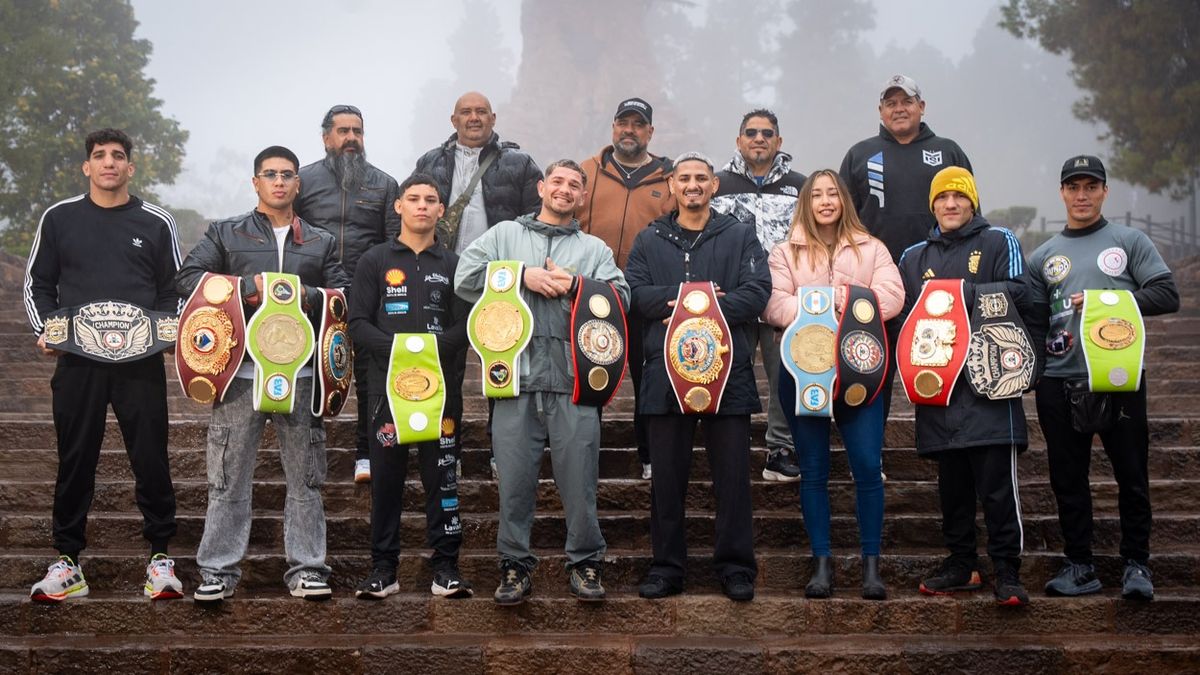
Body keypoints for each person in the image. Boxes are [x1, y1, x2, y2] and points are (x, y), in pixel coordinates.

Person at [177, 146, 350, 603]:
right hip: (238, 372)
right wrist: (245, 290)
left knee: (306, 478)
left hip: (304, 373)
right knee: (227, 477)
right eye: (269, 174)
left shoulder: (320, 241)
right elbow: (187, 277)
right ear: (255, 182)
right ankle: (217, 571)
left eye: (287, 175)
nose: (278, 182)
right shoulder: (225, 232)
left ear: (298, 184)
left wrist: (303, 294)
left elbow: (342, 292)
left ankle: (309, 569)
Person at [455, 159, 629, 605]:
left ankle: (586, 563)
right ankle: (514, 567)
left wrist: (575, 284)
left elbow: (621, 296)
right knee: (513, 482)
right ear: (541, 187)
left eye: (575, 185)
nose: (565, 189)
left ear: (582, 197)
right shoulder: (504, 236)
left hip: (574, 381)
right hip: (516, 380)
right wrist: (519, 275)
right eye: (558, 181)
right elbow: (464, 276)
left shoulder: (594, 249)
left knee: (580, 483)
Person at [24, 128, 183, 602]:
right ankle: (68, 562)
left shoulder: (156, 221)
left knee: (151, 456)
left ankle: (160, 558)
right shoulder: (59, 218)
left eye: (118, 156)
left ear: (131, 168)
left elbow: (172, 288)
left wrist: (164, 332)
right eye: (99, 156)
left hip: (139, 360)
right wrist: (47, 329)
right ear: (87, 167)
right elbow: (38, 283)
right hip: (77, 361)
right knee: (75, 458)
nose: (109, 163)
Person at [1029, 155, 1179, 601]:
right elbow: (1037, 322)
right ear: (1061, 193)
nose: (1081, 195)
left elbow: (1166, 293)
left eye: (1090, 186)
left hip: (1119, 375)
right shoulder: (1043, 255)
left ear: (1104, 191)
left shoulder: (1129, 241)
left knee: (1131, 474)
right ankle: (1080, 564)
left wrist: (1104, 300)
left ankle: (1137, 564)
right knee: (1066, 478)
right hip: (1060, 378)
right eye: (1073, 187)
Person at [625, 152, 770, 602]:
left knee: (732, 478)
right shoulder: (649, 240)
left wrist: (703, 308)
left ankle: (735, 568)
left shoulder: (741, 235)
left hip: (729, 373)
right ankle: (667, 567)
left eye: (701, 178)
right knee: (667, 478)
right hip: (665, 375)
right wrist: (687, 298)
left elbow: (758, 292)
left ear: (713, 186)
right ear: (671, 185)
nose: (692, 185)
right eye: (684, 178)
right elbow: (636, 294)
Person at [761, 169, 902, 599]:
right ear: (806, 202)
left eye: (833, 194)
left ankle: (870, 566)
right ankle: (821, 563)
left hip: (861, 370)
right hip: (804, 373)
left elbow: (893, 296)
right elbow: (773, 303)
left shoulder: (872, 248)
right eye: (816, 194)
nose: (825, 201)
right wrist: (818, 303)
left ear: (844, 201)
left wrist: (842, 294)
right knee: (814, 471)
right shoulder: (783, 252)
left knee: (865, 465)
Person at [897, 166, 1033, 606]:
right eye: (942, 197)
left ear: (973, 202)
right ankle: (962, 564)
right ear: (932, 204)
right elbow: (902, 315)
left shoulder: (999, 241)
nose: (950, 204)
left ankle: (1007, 570)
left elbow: (1023, 292)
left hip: (990, 386)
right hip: (939, 389)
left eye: (960, 196)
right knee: (951, 487)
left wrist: (962, 294)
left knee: (996, 487)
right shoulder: (913, 256)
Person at [348, 173, 473, 599]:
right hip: (386, 395)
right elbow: (358, 323)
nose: (422, 206)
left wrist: (429, 350)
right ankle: (384, 569)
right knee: (385, 483)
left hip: (442, 395)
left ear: (441, 210)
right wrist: (401, 350)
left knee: (444, 481)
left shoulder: (455, 265)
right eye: (413, 198)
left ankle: (446, 568)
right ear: (398, 206)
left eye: (431, 200)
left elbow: (465, 325)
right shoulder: (375, 260)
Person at [839, 75, 971, 419]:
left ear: (921, 107)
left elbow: (971, 215)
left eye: (907, 101)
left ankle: (948, 457)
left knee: (939, 365)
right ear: (881, 111)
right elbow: (842, 221)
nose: (899, 109)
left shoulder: (948, 151)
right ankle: (872, 460)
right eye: (891, 103)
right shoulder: (860, 154)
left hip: (937, 286)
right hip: (875, 287)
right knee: (871, 371)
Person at [296, 104, 402, 485]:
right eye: (343, 131)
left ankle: (365, 454)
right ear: (326, 138)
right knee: (308, 376)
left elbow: (394, 243)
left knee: (369, 379)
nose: (351, 138)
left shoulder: (385, 184)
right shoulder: (302, 181)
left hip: (365, 297)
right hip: (312, 296)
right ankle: (307, 452)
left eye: (357, 131)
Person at [576, 97, 674, 479]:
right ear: (613, 127)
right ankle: (585, 456)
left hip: (645, 295)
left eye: (638, 124)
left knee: (648, 376)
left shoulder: (668, 179)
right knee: (589, 371)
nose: (629, 130)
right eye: (623, 122)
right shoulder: (587, 170)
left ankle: (649, 458)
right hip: (592, 292)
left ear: (650, 132)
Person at [713, 109, 809, 482]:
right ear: (738, 140)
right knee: (728, 373)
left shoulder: (800, 185)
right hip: (732, 298)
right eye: (750, 132)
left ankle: (780, 449)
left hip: (782, 298)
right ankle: (726, 448)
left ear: (779, 142)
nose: (759, 138)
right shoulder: (717, 184)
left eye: (767, 133)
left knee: (784, 375)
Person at [415, 91, 543, 254]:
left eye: (481, 112)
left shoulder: (520, 164)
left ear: (493, 119)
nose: (474, 118)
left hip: (496, 269)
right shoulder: (429, 162)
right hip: (438, 267)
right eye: (466, 112)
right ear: (454, 121)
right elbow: (407, 214)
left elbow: (538, 220)